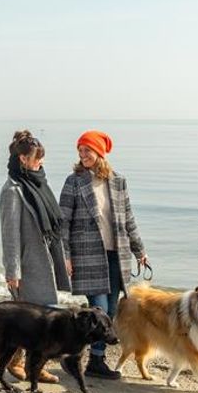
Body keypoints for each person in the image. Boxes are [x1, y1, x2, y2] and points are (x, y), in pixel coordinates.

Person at [59, 130, 148, 379]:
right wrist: (65, 255)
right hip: (87, 256)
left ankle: (95, 362)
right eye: (80, 151)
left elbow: (128, 218)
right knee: (97, 310)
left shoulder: (118, 181)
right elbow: (62, 221)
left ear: (100, 152)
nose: (83, 155)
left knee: (109, 312)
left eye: (87, 150)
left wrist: (139, 250)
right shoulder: (74, 181)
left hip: (116, 256)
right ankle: (72, 356)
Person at [0, 129, 71, 383]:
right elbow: (10, 235)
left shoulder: (39, 184)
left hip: (46, 260)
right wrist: (13, 271)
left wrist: (64, 259)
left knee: (41, 319)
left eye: (41, 157)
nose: (41, 162)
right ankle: (25, 365)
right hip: (29, 266)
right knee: (34, 321)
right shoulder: (13, 190)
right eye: (37, 157)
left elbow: (53, 226)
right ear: (23, 160)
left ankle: (24, 363)